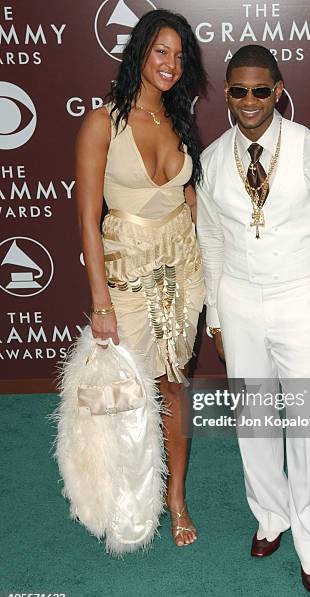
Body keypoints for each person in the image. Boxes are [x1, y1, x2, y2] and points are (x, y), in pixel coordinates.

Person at [197, 45, 310, 592]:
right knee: (255, 423)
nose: (248, 101)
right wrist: (216, 314)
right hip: (238, 304)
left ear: (279, 89)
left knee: (307, 430)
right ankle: (271, 515)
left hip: (299, 303)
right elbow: (210, 242)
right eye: (237, 91)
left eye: (260, 90)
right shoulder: (214, 159)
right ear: (227, 92)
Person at [75, 9, 207, 547]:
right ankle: (129, 500)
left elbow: (190, 201)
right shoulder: (103, 123)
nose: (170, 65)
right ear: (139, 54)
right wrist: (100, 302)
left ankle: (176, 499)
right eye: (160, 52)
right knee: (129, 393)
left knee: (175, 388)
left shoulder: (178, 121)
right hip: (128, 280)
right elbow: (87, 218)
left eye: (179, 56)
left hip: (183, 275)